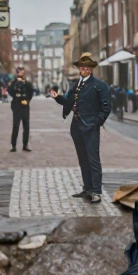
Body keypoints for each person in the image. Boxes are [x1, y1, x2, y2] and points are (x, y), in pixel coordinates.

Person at [50, 53, 111, 203]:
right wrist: (57, 96)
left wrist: (95, 123)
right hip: (76, 127)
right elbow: (68, 102)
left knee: (93, 159)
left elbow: (106, 108)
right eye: (81, 66)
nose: (83, 69)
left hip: (90, 127)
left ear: (91, 69)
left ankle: (96, 191)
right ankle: (88, 188)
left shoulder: (99, 85)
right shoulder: (76, 84)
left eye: (87, 67)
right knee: (83, 159)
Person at [8, 66, 34, 152]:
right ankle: (13, 145)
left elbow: (31, 91)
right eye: (20, 72)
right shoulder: (14, 83)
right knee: (16, 125)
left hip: (25, 106)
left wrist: (27, 100)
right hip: (17, 106)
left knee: (26, 126)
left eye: (23, 72)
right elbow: (10, 90)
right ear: (17, 73)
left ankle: (25, 145)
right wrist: (15, 97)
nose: (22, 74)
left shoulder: (27, 83)